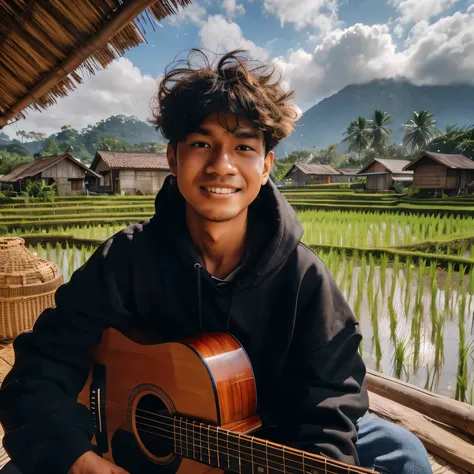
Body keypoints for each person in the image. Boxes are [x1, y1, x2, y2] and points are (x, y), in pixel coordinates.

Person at [0, 49, 431, 474]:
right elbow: (39, 369)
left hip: (273, 441)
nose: (221, 166)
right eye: (202, 143)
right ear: (173, 157)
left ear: (265, 167)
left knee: (402, 454)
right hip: (126, 446)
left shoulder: (305, 281)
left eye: (243, 147)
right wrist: (80, 461)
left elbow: (330, 403)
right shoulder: (125, 261)